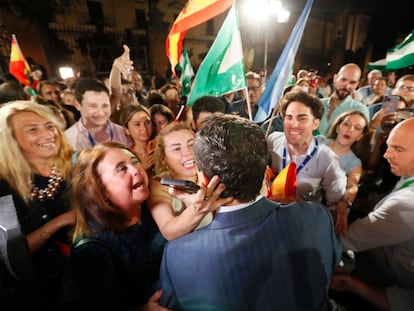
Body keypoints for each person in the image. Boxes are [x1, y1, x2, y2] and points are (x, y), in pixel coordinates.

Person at [159, 113, 342, 310]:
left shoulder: (178, 255)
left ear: (203, 180)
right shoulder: (315, 216)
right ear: (266, 172)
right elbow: (332, 262)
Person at [57, 142, 170, 311]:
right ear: (100, 191)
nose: (135, 170)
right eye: (121, 169)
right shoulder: (91, 248)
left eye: (134, 161)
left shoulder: (151, 207)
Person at [330, 117, 414, 311]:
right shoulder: (406, 176)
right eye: (389, 146)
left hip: (387, 292)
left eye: (398, 149)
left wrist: (304, 212)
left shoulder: (407, 204)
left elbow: (346, 238)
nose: (386, 155)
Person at [0, 101, 75, 310]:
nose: (48, 134)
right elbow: (14, 258)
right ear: (11, 140)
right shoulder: (3, 188)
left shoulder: (74, 167)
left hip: (85, 277)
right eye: (33, 129)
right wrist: (62, 221)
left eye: (49, 125)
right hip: (40, 293)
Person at [267, 90, 347, 233]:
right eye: (289, 117)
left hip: (302, 226)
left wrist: (300, 206)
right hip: (268, 219)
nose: (293, 124)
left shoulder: (328, 160)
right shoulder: (273, 140)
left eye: (302, 118)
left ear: (315, 123)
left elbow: (334, 209)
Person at [148, 122, 230, 240]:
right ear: (163, 158)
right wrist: (197, 209)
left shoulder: (213, 173)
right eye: (176, 148)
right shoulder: (159, 184)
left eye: (191, 144)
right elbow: (168, 231)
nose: (187, 152)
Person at [323, 110, 370, 233]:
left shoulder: (355, 163)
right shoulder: (318, 142)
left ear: (360, 136)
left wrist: (344, 204)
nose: (350, 130)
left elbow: (352, 186)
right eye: (346, 124)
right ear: (338, 127)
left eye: (357, 128)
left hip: (326, 209)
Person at [64, 77, 128, 151]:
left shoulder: (123, 133)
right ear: (77, 105)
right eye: (93, 106)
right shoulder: (67, 139)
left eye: (105, 106)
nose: (100, 112)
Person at [318, 63, 370, 136]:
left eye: (352, 82)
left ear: (357, 85)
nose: (347, 86)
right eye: (343, 79)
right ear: (335, 78)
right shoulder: (318, 104)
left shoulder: (360, 110)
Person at [119, 104, 155, 175]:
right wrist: (142, 169)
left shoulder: (161, 147)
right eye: (137, 124)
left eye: (147, 122)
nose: (144, 128)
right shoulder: (126, 157)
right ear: (126, 130)